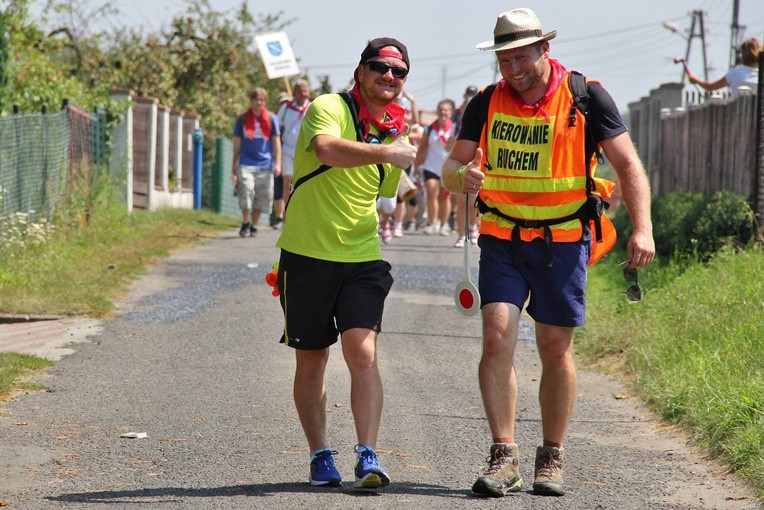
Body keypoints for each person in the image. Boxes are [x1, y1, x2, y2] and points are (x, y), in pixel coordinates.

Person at [441, 9, 655, 498]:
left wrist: (641, 229)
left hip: (563, 243)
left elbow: (628, 165)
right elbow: (451, 168)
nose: (514, 69)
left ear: (545, 51)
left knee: (555, 349)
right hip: (502, 239)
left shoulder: (585, 95)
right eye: (505, 60)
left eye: (522, 57)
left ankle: (552, 456)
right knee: (497, 339)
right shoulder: (487, 103)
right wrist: (462, 177)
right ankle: (504, 455)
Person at [275, 37, 417, 490]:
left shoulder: (397, 128)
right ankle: (320, 455)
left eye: (399, 72)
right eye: (380, 67)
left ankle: (367, 454)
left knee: (362, 351)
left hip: (362, 255)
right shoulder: (329, 106)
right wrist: (388, 152)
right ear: (361, 71)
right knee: (312, 360)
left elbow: (385, 193)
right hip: (307, 254)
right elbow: (326, 150)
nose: (389, 77)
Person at [232, 87, 281, 237]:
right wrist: (234, 164)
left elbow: (276, 141)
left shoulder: (272, 119)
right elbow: (237, 143)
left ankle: (254, 225)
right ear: (251, 101)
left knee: (263, 196)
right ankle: (245, 221)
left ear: (265, 101)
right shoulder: (242, 119)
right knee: (246, 191)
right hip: (246, 162)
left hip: (265, 164)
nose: (258, 102)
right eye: (256, 99)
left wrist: (277, 163)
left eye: (261, 100)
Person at [415, 99, 457, 236]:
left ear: (450, 113)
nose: (443, 112)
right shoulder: (430, 128)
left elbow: (458, 149)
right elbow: (422, 148)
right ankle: (433, 223)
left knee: (445, 197)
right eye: (440, 109)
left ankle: (444, 224)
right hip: (430, 167)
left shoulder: (455, 129)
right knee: (432, 193)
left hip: (447, 168)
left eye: (446, 110)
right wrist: (416, 166)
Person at [273, 81, 312, 229]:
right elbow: (277, 127)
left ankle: (304, 215)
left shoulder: (312, 107)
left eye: (305, 91)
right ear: (294, 93)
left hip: (306, 151)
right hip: (288, 150)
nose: (303, 94)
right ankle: (287, 216)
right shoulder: (286, 107)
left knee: (304, 183)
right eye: (300, 91)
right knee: (287, 182)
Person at [685, 37, 762, 95]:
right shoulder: (761, 75)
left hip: (737, 113)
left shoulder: (736, 72)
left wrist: (695, 80)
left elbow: (710, 87)